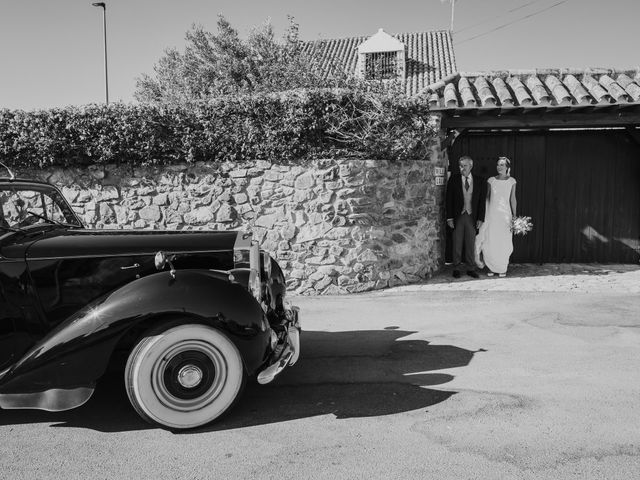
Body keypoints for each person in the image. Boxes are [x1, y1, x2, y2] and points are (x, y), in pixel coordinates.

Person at [445, 155, 487, 279]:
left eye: (465, 165)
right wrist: (449, 218)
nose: (462, 168)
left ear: (471, 166)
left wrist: (480, 218)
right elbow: (449, 199)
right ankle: (456, 267)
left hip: (472, 216)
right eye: (460, 166)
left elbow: (481, 202)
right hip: (458, 217)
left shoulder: (480, 181)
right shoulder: (454, 179)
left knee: (471, 243)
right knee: (457, 243)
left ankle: (470, 268)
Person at [476, 156, 517, 277]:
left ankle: (502, 268)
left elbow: (513, 199)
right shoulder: (491, 180)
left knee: (504, 241)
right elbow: (486, 198)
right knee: (490, 240)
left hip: (505, 215)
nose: (499, 167)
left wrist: (514, 216)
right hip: (492, 214)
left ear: (507, 167)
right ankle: (491, 267)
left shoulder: (512, 181)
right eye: (498, 164)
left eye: (502, 165)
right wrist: (483, 214)